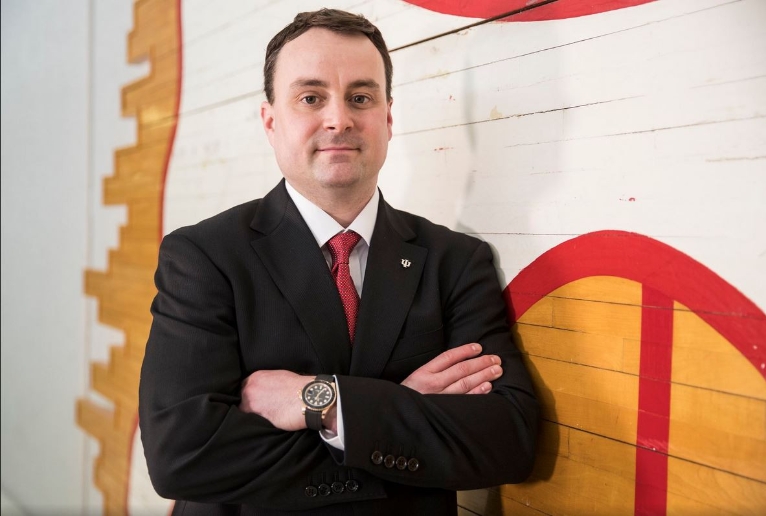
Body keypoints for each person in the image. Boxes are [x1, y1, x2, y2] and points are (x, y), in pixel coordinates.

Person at [139, 8, 539, 516]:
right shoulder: (204, 257)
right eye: (311, 98)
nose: (339, 118)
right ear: (271, 121)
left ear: (388, 118)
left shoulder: (456, 262)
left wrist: (323, 402)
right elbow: (183, 456)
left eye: (361, 97)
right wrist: (397, 408)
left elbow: (508, 439)